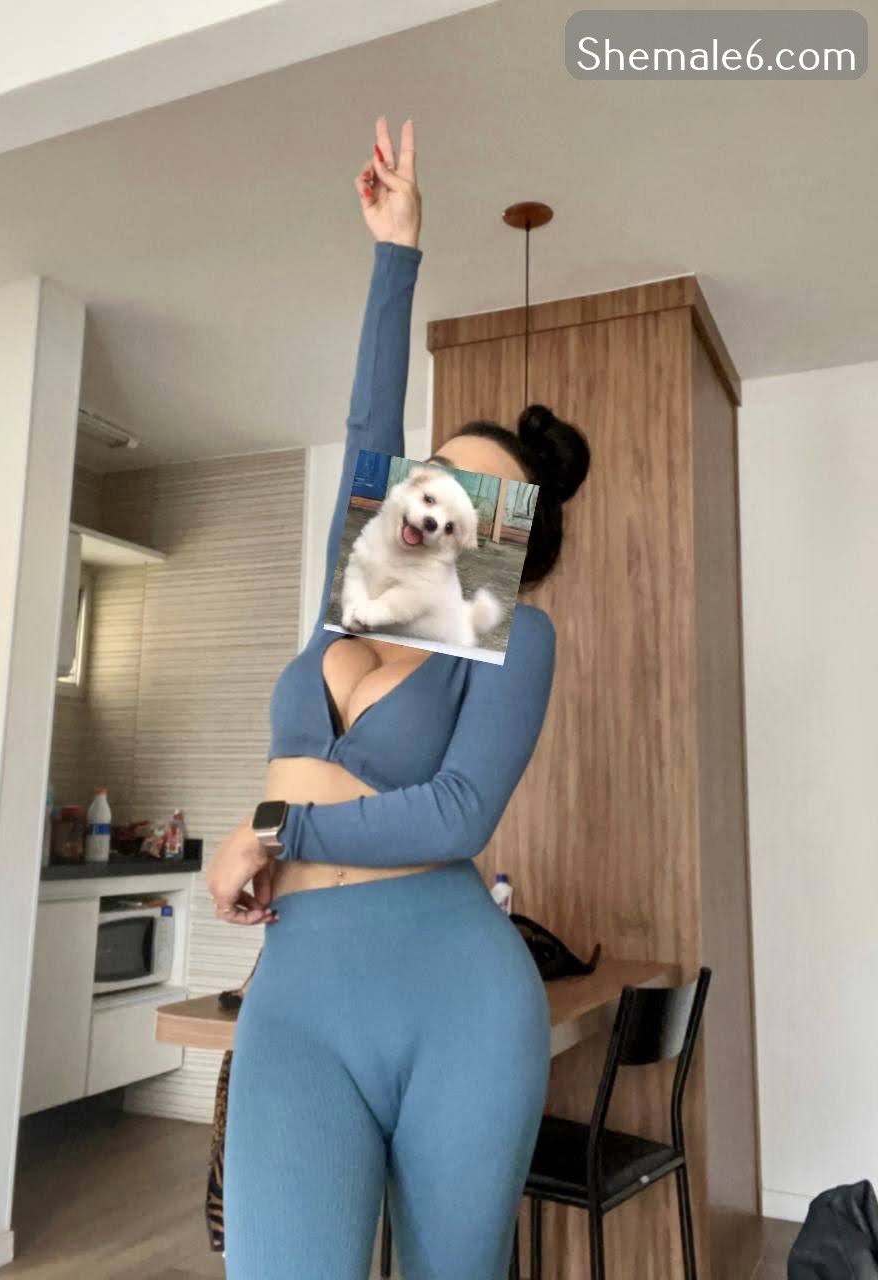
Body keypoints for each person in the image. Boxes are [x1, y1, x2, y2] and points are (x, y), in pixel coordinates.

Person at [206, 115, 590, 1280]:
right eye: (435, 476)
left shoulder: (515, 640)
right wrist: (396, 251)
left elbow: (459, 810)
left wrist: (274, 828)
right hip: (299, 987)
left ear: (506, 547)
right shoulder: (349, 605)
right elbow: (366, 429)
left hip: (455, 992)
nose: (438, 500)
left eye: (476, 495)